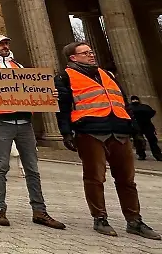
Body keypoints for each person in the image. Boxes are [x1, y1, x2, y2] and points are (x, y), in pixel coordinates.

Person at [55, 41, 160, 240]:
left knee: (127, 179)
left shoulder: (107, 75)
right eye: (85, 53)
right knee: (95, 178)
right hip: (91, 131)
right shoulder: (65, 77)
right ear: (73, 58)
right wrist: (66, 133)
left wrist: (134, 128)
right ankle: (100, 218)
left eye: (91, 51)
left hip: (119, 130)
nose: (91, 55)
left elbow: (122, 101)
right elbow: (63, 106)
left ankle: (134, 220)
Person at [0, 34, 65, 229]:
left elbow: (33, 88)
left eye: (7, 43)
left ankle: (39, 210)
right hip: (1, 122)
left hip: (24, 122)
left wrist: (49, 93)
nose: (5, 46)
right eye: (1, 44)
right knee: (1, 166)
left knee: (32, 168)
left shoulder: (19, 67)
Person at [129, 95, 162, 161]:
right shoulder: (144, 107)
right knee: (151, 141)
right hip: (146, 125)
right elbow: (152, 112)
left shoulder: (130, 108)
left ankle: (142, 155)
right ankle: (157, 155)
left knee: (139, 142)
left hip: (137, 126)